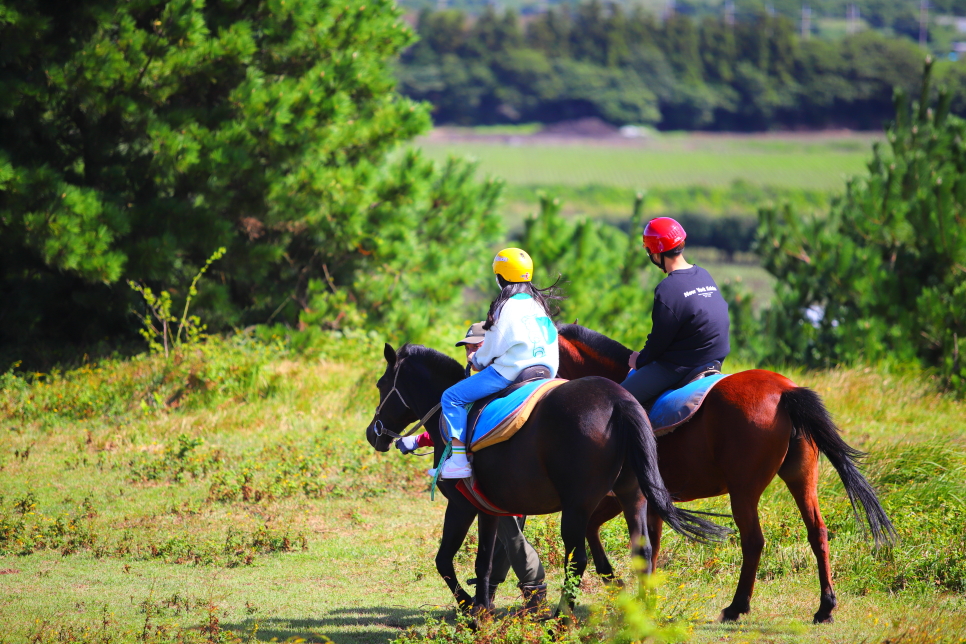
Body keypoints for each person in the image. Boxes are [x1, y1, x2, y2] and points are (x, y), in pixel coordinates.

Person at [396, 321, 548, 611]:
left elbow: (480, 423)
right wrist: (420, 441)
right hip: (484, 467)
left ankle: (534, 587)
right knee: (504, 534)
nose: (470, 351)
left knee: (510, 533)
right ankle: (489, 593)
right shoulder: (475, 376)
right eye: (467, 346)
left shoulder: (496, 379)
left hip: (498, 472)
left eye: (476, 345)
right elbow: (460, 426)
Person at [438, 248, 560, 480]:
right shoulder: (538, 305)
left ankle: (458, 460)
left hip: (513, 372)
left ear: (499, 276)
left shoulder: (505, 305)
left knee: (451, 397)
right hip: (547, 371)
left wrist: (477, 360)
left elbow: (491, 349)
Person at [622, 217, 730, 406]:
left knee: (617, 400)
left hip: (682, 365)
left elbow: (658, 342)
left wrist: (639, 361)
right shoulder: (703, 274)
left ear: (655, 254)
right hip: (715, 356)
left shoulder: (667, 289)